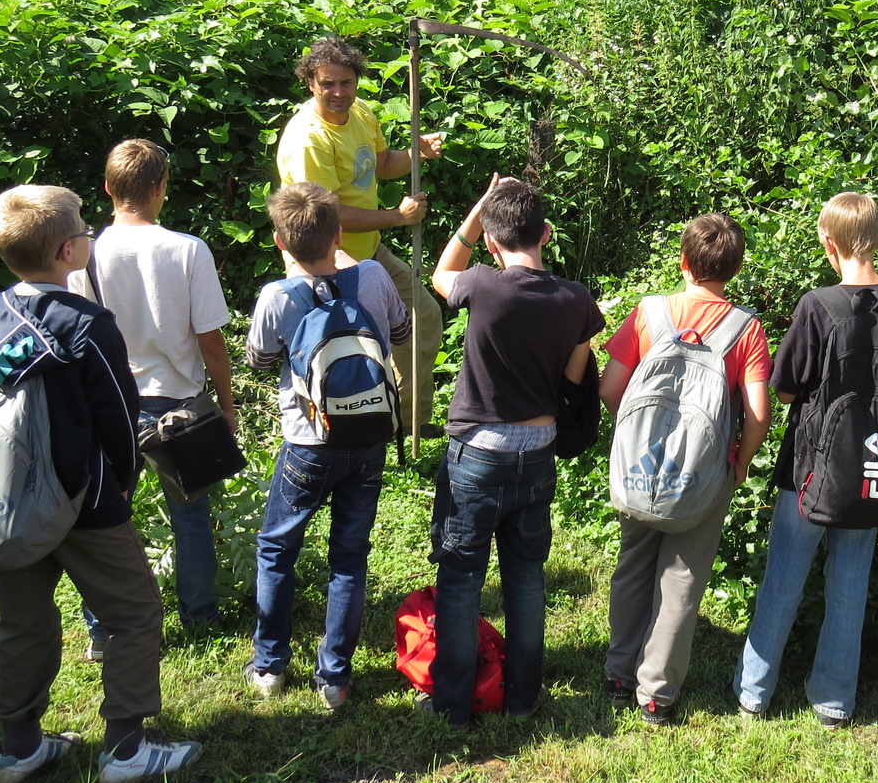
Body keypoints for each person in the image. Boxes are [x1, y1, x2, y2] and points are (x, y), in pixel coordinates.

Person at [0, 185, 201, 783]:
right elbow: (118, 418)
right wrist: (122, 485)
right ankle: (126, 749)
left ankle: (18, 747)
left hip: (10, 501)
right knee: (133, 613)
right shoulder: (87, 324)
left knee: (21, 623)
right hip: (84, 502)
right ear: (68, 249)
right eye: (82, 228)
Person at [733, 193, 878, 728]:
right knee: (851, 583)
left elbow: (788, 388)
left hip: (811, 471)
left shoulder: (818, 306)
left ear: (828, 243)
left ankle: (754, 692)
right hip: (873, 470)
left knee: (784, 578)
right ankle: (834, 701)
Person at [427, 175, 605, 729]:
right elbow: (574, 376)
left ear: (489, 240)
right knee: (526, 578)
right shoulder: (577, 299)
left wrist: (478, 208)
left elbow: (439, 276)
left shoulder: (481, 284)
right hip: (539, 451)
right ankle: (524, 696)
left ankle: (453, 703)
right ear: (546, 234)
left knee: (461, 578)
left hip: (477, 451)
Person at [600, 213, 775, 726]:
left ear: (682, 261)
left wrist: (636, 437)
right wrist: (739, 462)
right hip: (703, 475)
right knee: (680, 578)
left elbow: (610, 389)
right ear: (735, 269)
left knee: (632, 565)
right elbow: (760, 412)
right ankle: (656, 694)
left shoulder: (650, 314)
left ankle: (618, 673)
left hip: (640, 468)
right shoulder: (746, 329)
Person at [244, 182, 412, 710]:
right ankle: (334, 677)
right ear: (340, 232)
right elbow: (402, 333)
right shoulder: (374, 275)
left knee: (277, 548)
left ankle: (270, 664)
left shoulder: (276, 297)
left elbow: (259, 360)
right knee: (349, 556)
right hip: (367, 436)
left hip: (306, 442)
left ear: (279, 242)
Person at [67, 139, 233, 653]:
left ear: (108, 189)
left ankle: (102, 630)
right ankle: (200, 616)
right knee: (190, 516)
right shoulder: (188, 249)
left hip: (110, 401)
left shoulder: (83, 253)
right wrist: (226, 402)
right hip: (180, 403)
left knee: (104, 518)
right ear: (162, 188)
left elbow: (79, 338)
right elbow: (210, 338)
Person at [276, 36, 445, 449]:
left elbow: (382, 165)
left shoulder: (361, 113)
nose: (338, 92)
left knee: (422, 317)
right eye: (327, 83)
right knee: (345, 347)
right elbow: (324, 212)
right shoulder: (308, 138)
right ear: (311, 82)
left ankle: (406, 422)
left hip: (368, 250)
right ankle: (336, 430)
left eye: (346, 83)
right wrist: (396, 218)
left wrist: (416, 153)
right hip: (322, 258)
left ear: (357, 82)